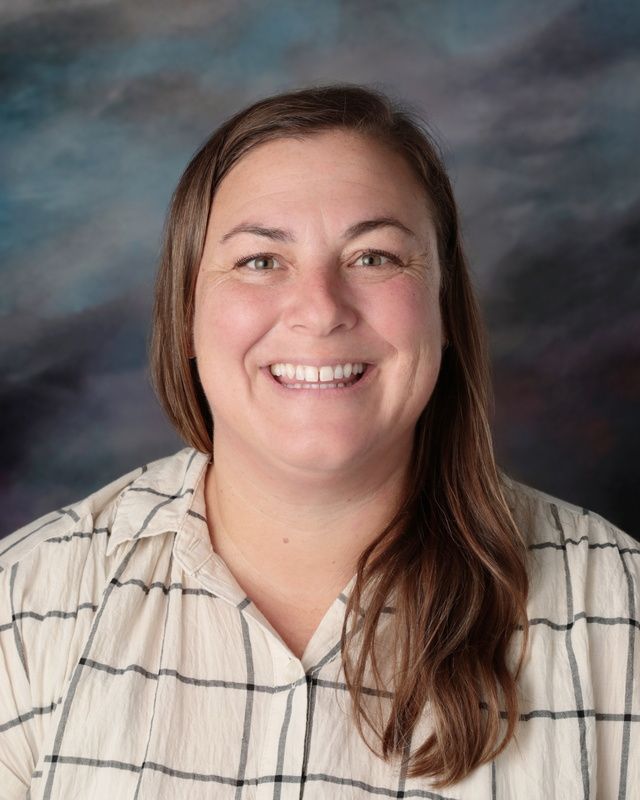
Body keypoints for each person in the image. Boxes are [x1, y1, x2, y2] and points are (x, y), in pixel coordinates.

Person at [0, 84, 637, 800]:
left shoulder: (621, 615)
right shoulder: (24, 609)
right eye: (260, 261)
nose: (321, 309)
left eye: (374, 257)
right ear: (185, 314)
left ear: (445, 308)